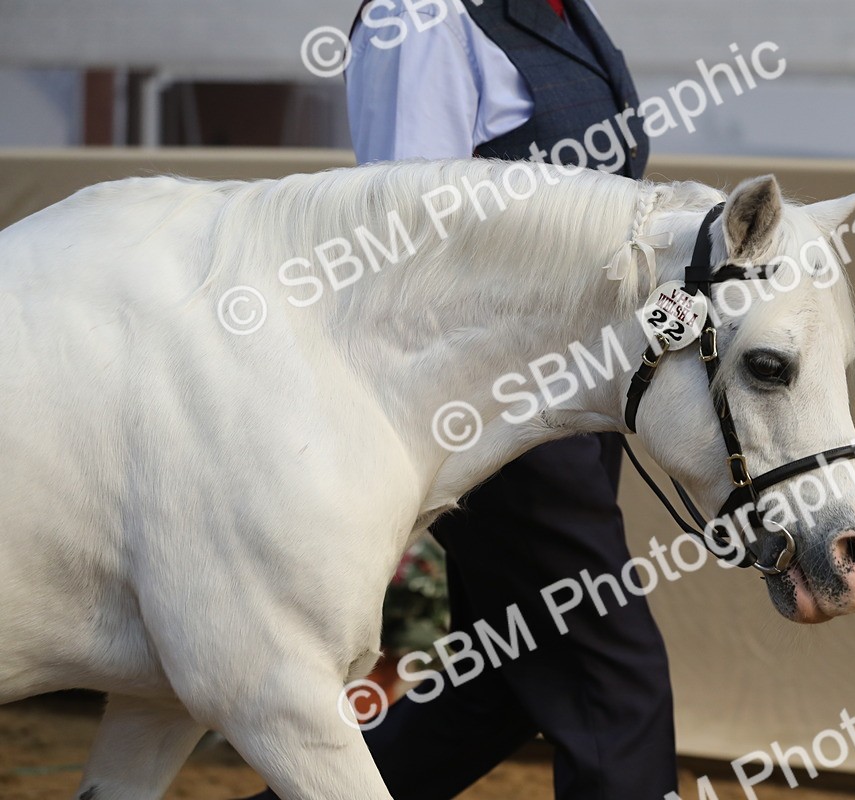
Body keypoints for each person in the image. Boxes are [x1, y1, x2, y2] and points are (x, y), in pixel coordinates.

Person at [247, 2, 676, 798]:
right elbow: (403, 233)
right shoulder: (421, 20)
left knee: (502, 673)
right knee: (613, 672)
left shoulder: (563, 11)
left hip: (579, 398)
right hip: (493, 408)